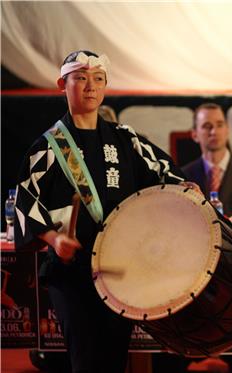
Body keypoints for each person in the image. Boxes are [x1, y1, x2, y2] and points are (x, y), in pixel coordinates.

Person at [13, 50, 193, 373]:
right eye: (80, 78)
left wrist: (187, 188)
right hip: (72, 274)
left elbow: (167, 173)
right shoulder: (48, 148)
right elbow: (25, 205)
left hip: (121, 271)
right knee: (87, 360)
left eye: (98, 79)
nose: (90, 86)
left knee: (113, 360)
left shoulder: (126, 140)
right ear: (62, 85)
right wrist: (55, 240)